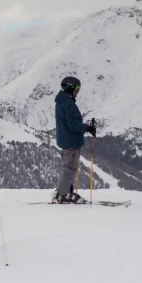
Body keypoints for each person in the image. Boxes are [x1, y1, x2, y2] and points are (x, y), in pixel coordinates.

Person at [53, 76, 95, 204]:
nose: (78, 91)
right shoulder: (69, 104)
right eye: (77, 88)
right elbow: (73, 124)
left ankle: (66, 191)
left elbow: (69, 122)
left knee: (69, 167)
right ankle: (62, 194)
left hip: (66, 139)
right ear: (70, 88)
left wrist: (85, 126)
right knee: (70, 168)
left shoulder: (62, 102)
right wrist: (87, 128)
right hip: (70, 141)